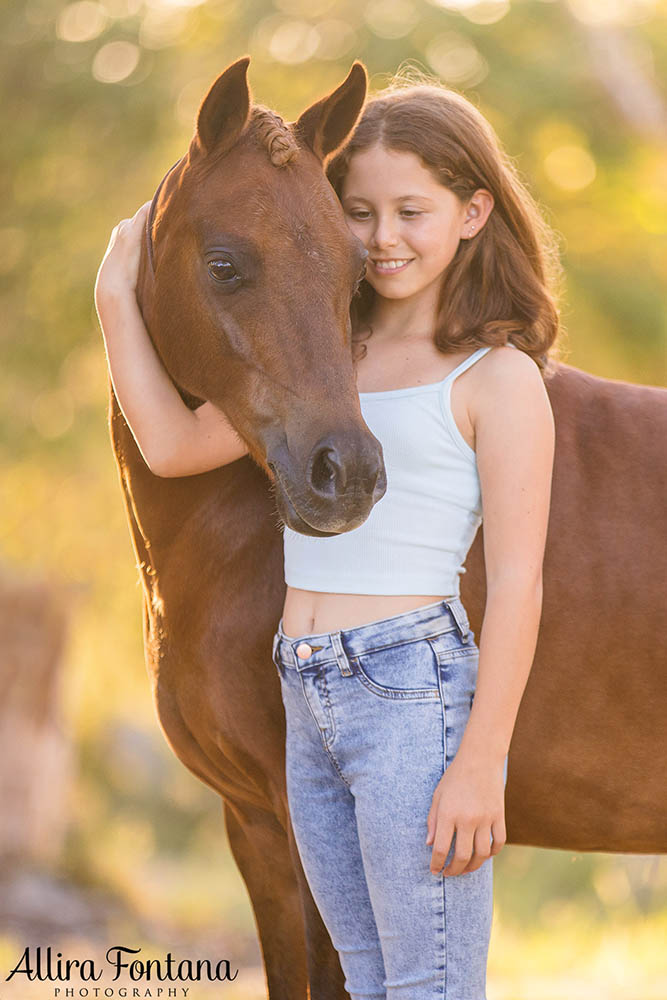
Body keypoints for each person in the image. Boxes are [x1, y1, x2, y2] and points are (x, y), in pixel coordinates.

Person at [95, 73, 557, 1000]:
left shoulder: (495, 379)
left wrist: (479, 765)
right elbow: (174, 445)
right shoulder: (335, 364)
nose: (382, 238)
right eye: (361, 214)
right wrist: (118, 280)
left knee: (424, 983)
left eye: (410, 212)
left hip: (406, 688)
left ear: (472, 215)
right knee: (354, 978)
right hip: (306, 688)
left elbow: (516, 583)